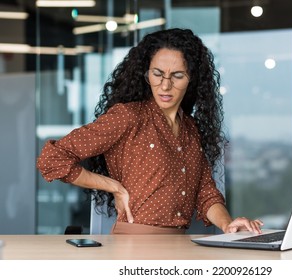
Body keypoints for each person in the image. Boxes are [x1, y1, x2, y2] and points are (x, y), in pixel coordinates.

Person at [37, 28, 263, 235]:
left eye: (177, 76)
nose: (165, 86)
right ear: (145, 74)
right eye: (157, 74)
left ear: (192, 79)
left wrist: (227, 224)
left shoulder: (191, 130)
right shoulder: (128, 116)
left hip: (182, 248)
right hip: (135, 248)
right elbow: (52, 159)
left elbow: (206, 193)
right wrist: (113, 186)